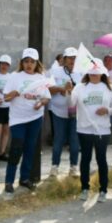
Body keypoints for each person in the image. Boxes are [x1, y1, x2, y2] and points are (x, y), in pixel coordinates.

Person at [2, 48, 51, 196]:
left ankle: (24, 178)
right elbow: (5, 98)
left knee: (30, 148)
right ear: (22, 63)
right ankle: (9, 181)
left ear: (37, 63)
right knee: (16, 147)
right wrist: (14, 93)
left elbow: (46, 97)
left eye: (32, 62)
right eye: (26, 61)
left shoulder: (41, 78)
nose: (29, 64)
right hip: (17, 118)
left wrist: (40, 103)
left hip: (35, 118)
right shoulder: (15, 77)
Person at [69, 59, 112, 202]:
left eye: (96, 74)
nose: (93, 76)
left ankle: (103, 190)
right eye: (91, 73)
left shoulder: (109, 89)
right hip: (84, 129)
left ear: (102, 74)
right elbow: (71, 104)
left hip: (102, 130)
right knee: (85, 159)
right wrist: (68, 92)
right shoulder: (80, 87)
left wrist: (107, 110)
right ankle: (85, 188)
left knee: (101, 159)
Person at [48, 46, 82, 177]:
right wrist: (62, 88)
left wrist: (74, 91)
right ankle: (54, 166)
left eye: (74, 58)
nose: (72, 61)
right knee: (58, 140)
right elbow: (49, 89)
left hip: (75, 113)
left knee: (74, 141)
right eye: (69, 58)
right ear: (64, 59)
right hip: (58, 112)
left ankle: (74, 167)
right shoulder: (55, 72)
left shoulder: (81, 73)